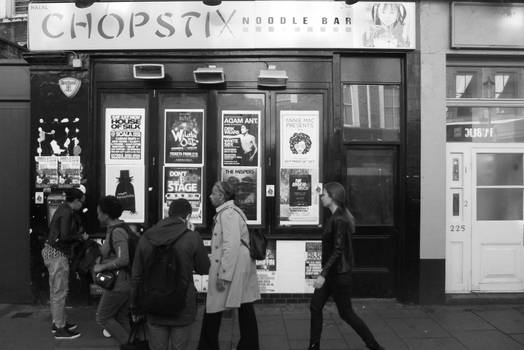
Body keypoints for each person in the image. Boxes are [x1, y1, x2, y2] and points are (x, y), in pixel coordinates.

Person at [308, 182, 384, 350]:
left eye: (325, 194)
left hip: (339, 275)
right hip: (331, 274)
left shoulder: (340, 220)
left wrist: (322, 274)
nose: (322, 196)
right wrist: (325, 274)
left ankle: (375, 346)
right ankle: (313, 346)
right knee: (315, 306)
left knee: (346, 313)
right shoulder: (334, 217)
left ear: (333, 197)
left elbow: (337, 250)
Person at [131, 198, 210, 350]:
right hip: (182, 304)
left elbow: (136, 275)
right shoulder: (192, 237)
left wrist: (134, 306)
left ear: (169, 213)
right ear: (187, 217)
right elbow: (204, 268)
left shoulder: (147, 237)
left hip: (153, 302)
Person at [198, 181, 260, 350]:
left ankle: (208, 346)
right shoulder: (227, 212)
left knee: (213, 307)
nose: (210, 197)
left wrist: (223, 275)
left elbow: (230, 246)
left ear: (222, 196)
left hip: (232, 266)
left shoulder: (228, 214)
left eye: (213, 193)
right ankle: (249, 345)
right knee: (244, 305)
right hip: (239, 265)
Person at [42, 188, 87, 339]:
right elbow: (65, 236)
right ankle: (60, 329)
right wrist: (80, 237)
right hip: (57, 254)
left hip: (52, 253)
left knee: (56, 291)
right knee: (60, 292)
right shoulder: (67, 212)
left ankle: (58, 322)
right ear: (76, 201)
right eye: (82, 201)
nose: (83, 204)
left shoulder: (63, 208)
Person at [93, 195, 131, 345]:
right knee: (121, 317)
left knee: (103, 317)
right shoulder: (115, 229)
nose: (97, 215)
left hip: (119, 284)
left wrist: (102, 266)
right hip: (123, 283)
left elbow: (123, 259)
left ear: (106, 214)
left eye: (98, 212)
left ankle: (130, 346)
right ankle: (131, 344)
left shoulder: (117, 232)